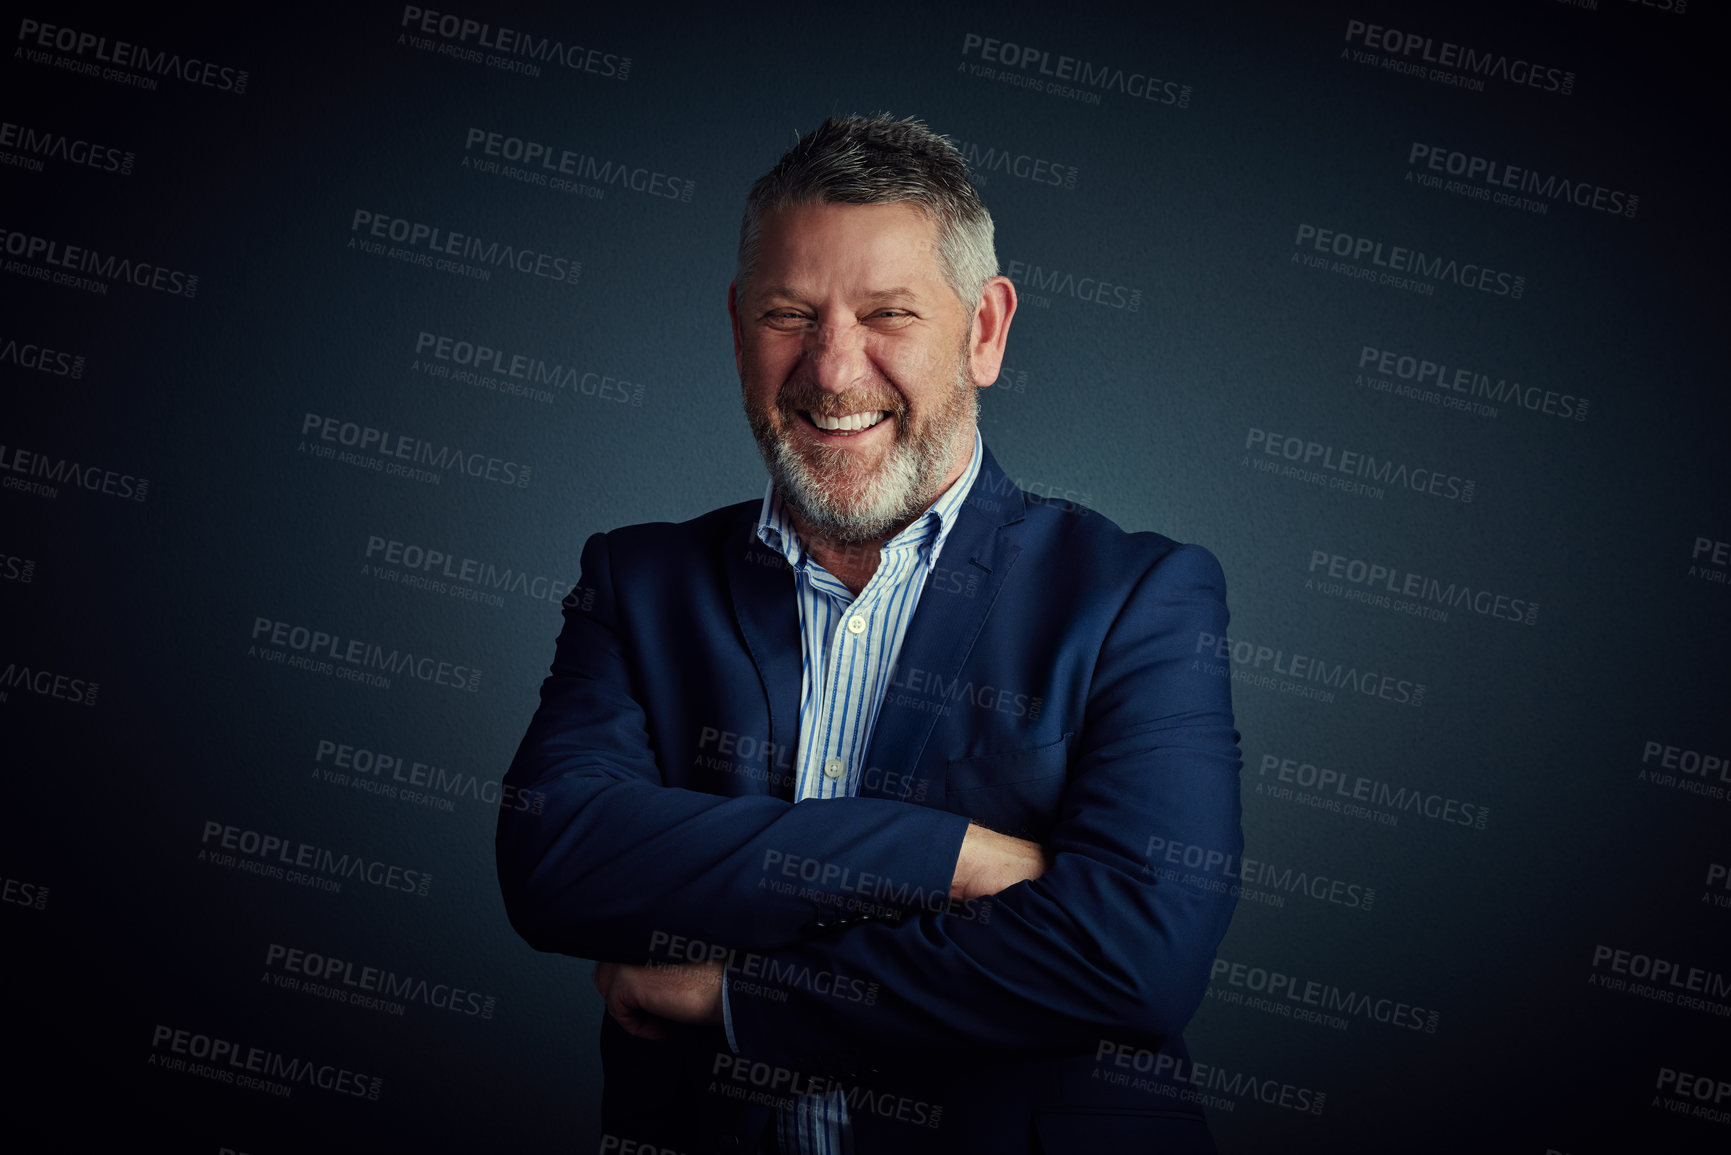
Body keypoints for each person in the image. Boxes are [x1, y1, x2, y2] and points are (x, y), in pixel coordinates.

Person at [497, 113, 1243, 1155]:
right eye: (789, 314)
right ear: (736, 327)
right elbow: (556, 859)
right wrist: (944, 857)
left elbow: (1135, 960)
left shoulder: (1138, 597)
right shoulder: (639, 581)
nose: (834, 371)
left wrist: (736, 998)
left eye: (888, 314)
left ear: (985, 331)